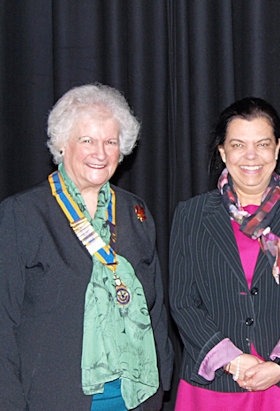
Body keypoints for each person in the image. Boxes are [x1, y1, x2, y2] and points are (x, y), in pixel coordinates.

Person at [0, 83, 174, 410]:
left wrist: (163, 376)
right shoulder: (23, 214)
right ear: (62, 145)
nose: (100, 153)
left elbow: (157, 307)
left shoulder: (135, 212)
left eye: (110, 142)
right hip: (54, 396)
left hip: (135, 394)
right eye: (87, 140)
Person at [169, 97, 280, 410]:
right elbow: (182, 301)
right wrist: (232, 361)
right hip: (216, 384)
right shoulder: (191, 215)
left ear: (277, 147)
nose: (251, 156)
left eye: (262, 144)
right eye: (238, 145)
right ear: (222, 151)